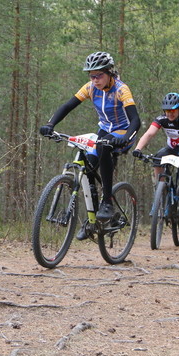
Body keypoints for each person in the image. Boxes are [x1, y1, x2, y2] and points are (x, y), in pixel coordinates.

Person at [39, 51, 141, 239]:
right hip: (104, 130)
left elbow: (136, 120)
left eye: (99, 75)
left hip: (123, 131)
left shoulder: (121, 89)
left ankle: (108, 202)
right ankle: (93, 220)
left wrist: (125, 137)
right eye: (91, 76)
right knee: (88, 164)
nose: (95, 79)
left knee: (103, 148)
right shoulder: (90, 88)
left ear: (109, 72)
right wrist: (50, 124)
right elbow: (67, 106)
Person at [131, 92, 179, 238]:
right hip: (170, 150)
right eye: (167, 111)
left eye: (173, 110)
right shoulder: (162, 119)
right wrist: (138, 149)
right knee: (156, 160)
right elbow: (149, 134)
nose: (169, 114)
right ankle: (161, 192)